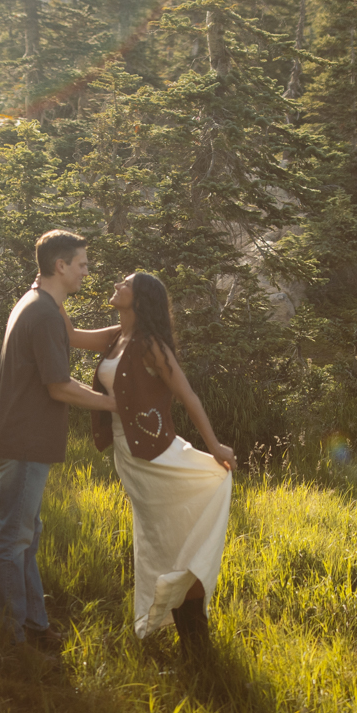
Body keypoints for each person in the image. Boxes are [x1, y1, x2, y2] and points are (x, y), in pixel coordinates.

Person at [0, 229, 119, 653]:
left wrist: (135, 325)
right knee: (14, 537)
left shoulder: (42, 302)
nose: (86, 272)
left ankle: (34, 624)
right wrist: (117, 405)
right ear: (60, 266)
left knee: (27, 534)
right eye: (82, 265)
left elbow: (79, 339)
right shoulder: (42, 313)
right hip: (23, 440)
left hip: (22, 437)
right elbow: (59, 387)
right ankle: (11, 633)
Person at [90, 271, 234, 649]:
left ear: (140, 300)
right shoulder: (114, 337)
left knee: (171, 538)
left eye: (125, 284)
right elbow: (70, 335)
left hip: (158, 455)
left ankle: (195, 637)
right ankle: (187, 630)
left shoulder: (151, 344)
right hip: (130, 457)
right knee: (156, 539)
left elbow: (188, 397)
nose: (117, 285)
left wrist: (215, 446)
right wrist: (44, 290)